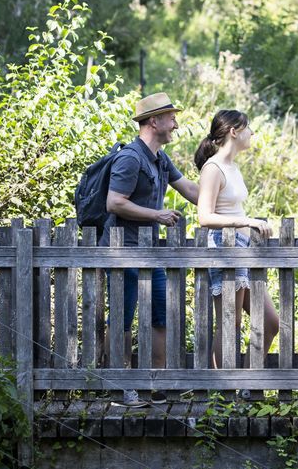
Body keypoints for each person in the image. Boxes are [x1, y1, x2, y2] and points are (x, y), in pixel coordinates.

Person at [103, 92, 199, 407]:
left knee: (162, 313)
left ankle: (154, 385)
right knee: (123, 317)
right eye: (171, 118)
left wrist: (227, 200)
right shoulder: (131, 158)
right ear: (154, 121)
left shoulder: (160, 158)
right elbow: (114, 202)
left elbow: (189, 190)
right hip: (122, 251)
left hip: (148, 252)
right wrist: (157, 215)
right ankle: (120, 387)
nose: (176, 123)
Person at [194, 110, 279, 371]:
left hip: (243, 248)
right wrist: (246, 222)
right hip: (225, 246)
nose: (251, 132)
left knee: (269, 322)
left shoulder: (234, 167)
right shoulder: (213, 168)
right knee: (230, 322)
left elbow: (232, 209)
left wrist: (249, 223)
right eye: (247, 127)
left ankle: (245, 380)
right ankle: (222, 392)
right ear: (233, 131)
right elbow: (205, 216)